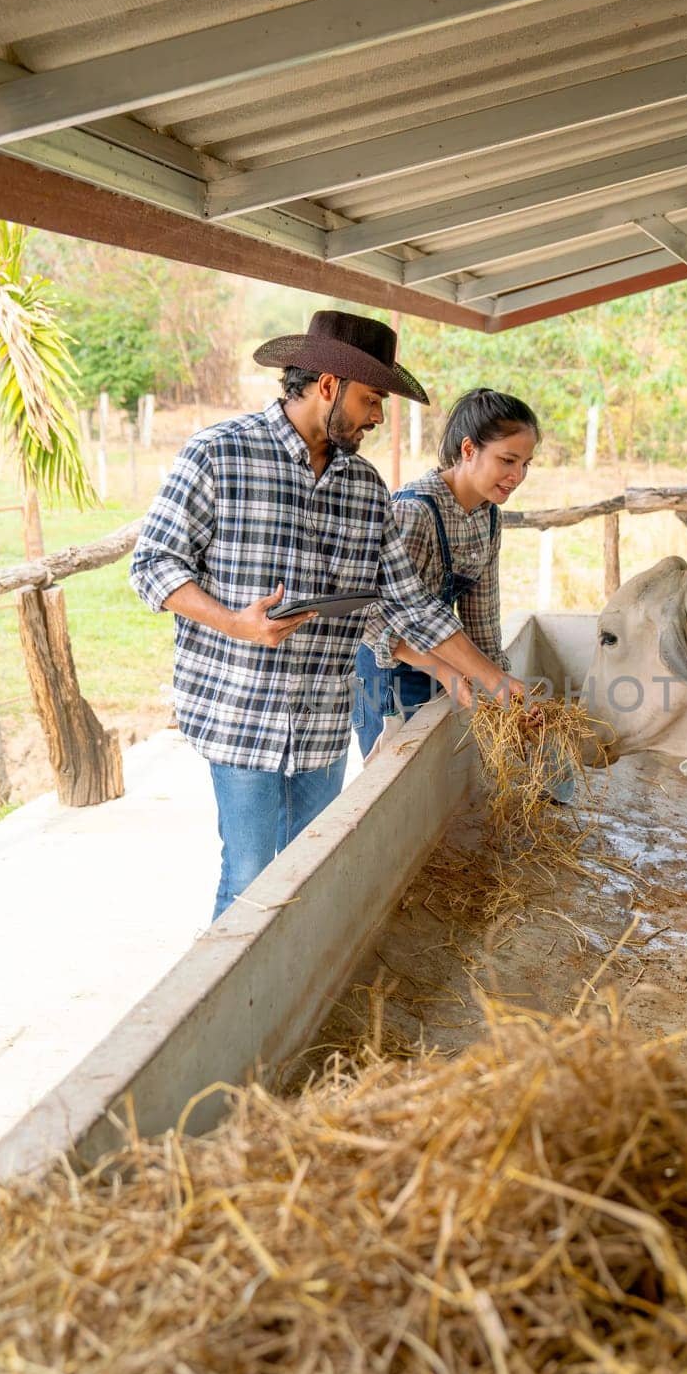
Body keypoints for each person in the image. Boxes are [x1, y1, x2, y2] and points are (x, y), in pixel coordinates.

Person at [131, 313, 524, 921]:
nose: (377, 418)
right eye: (371, 400)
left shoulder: (366, 488)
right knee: (250, 877)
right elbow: (152, 565)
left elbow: (408, 603)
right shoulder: (219, 453)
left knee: (311, 873)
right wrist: (237, 621)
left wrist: (491, 678)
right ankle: (236, 1017)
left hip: (321, 719)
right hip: (241, 710)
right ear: (328, 386)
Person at [354, 387, 538, 756]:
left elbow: (482, 620)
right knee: (395, 778)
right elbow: (367, 614)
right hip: (390, 669)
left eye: (526, 464)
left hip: (445, 662)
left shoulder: (488, 516)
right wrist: (443, 669)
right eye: (507, 460)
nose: (517, 476)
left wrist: (504, 693)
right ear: (468, 450)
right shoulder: (415, 511)